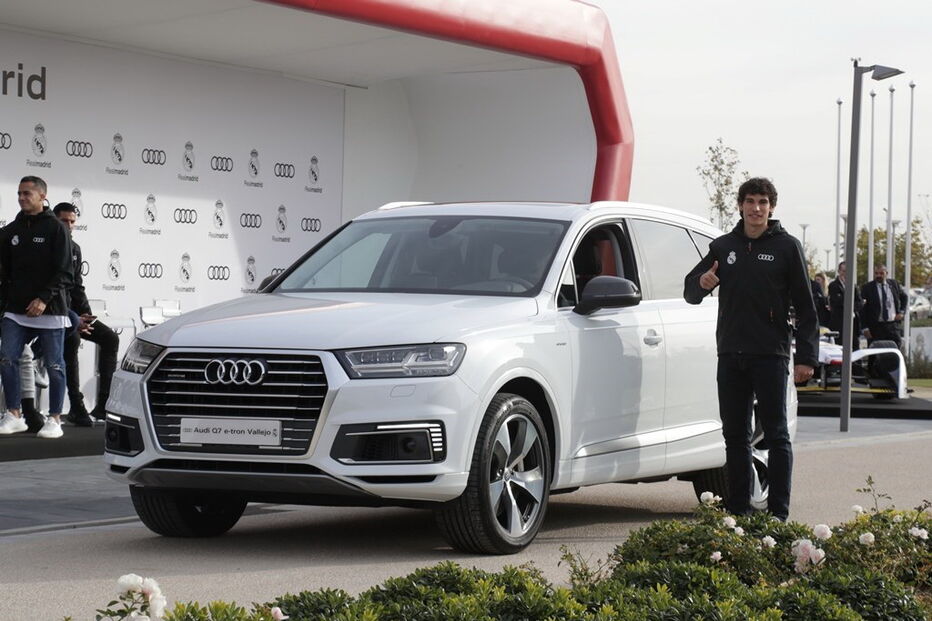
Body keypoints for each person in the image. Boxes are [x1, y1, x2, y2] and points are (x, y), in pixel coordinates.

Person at [684, 177, 818, 522]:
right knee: (735, 437)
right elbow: (690, 291)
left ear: (771, 207)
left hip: (770, 355)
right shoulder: (722, 246)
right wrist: (702, 283)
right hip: (730, 354)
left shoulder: (787, 247)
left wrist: (806, 357)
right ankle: (739, 511)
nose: (756, 209)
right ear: (740, 205)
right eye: (750, 202)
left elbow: (806, 307)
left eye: (762, 202)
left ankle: (778, 513)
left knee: (776, 435)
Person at [0, 176, 73, 438]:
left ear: (43, 196)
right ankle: (14, 413)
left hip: (50, 310)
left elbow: (65, 273)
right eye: (19, 193)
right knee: (7, 358)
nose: (21, 198)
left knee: (54, 365)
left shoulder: (56, 228)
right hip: (15, 310)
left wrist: (43, 299)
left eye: (27, 194)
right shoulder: (10, 231)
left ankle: (54, 418)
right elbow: (4, 272)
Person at [53, 202, 120, 425]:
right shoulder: (46, 247)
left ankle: (103, 406)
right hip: (53, 313)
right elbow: (54, 288)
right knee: (71, 340)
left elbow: (77, 286)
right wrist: (74, 318)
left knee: (110, 338)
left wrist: (86, 316)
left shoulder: (74, 248)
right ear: (55, 220)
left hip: (75, 314)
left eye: (72, 222)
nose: (69, 225)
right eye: (64, 221)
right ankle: (77, 406)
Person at [860, 263, 908, 347]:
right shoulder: (867, 288)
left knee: (895, 353)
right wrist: (865, 328)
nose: (879, 275)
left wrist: (902, 312)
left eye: (881, 273)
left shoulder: (893, 284)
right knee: (875, 355)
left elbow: (904, 297)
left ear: (886, 273)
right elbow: (863, 310)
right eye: (876, 273)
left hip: (892, 326)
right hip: (875, 327)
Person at [827, 261, 862, 350]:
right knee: (840, 348)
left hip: (853, 323)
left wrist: (852, 308)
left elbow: (859, 302)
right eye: (843, 271)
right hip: (839, 322)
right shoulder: (833, 285)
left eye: (847, 271)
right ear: (839, 271)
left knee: (855, 347)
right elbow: (838, 302)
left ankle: (855, 364)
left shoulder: (853, 286)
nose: (845, 273)